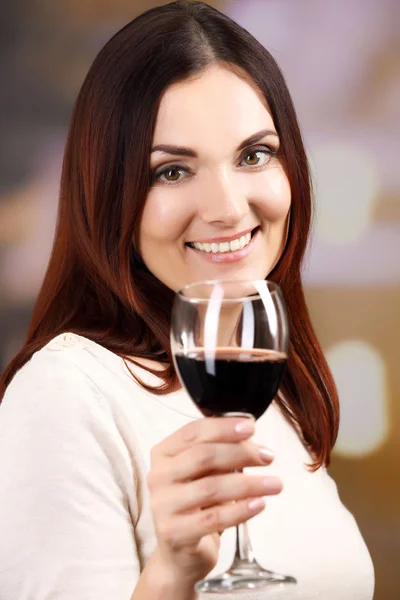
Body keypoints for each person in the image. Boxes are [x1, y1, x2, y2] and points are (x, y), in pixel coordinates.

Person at [0, 1, 374, 599]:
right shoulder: (66, 392)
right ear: (109, 193)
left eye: (255, 155)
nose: (227, 207)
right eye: (172, 171)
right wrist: (173, 574)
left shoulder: (274, 388)